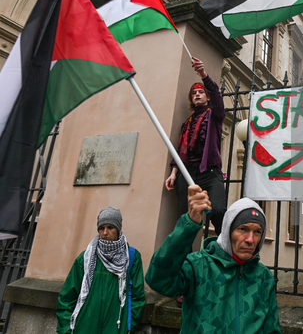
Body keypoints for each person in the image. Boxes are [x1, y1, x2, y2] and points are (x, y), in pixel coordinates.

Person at [146, 185, 281, 333]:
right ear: (228, 231)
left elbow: (271, 329)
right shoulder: (198, 266)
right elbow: (158, 280)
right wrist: (189, 225)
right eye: (243, 229)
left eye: (257, 232)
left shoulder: (264, 278)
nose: (250, 239)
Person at [56, 207, 145, 334]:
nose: (105, 232)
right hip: (84, 326)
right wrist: (66, 329)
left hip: (116, 327)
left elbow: (137, 297)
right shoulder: (85, 258)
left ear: (118, 229)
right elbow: (67, 297)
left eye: (110, 227)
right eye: (101, 228)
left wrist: (129, 326)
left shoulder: (131, 257)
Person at [165, 57, 226, 235]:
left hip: (209, 171)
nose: (197, 94)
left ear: (207, 97)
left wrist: (203, 75)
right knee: (185, 220)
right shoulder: (187, 123)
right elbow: (180, 152)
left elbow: (217, 97)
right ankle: (185, 259)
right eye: (194, 93)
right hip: (187, 172)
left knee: (217, 211)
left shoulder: (214, 115)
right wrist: (174, 173)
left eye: (200, 92)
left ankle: (225, 251)